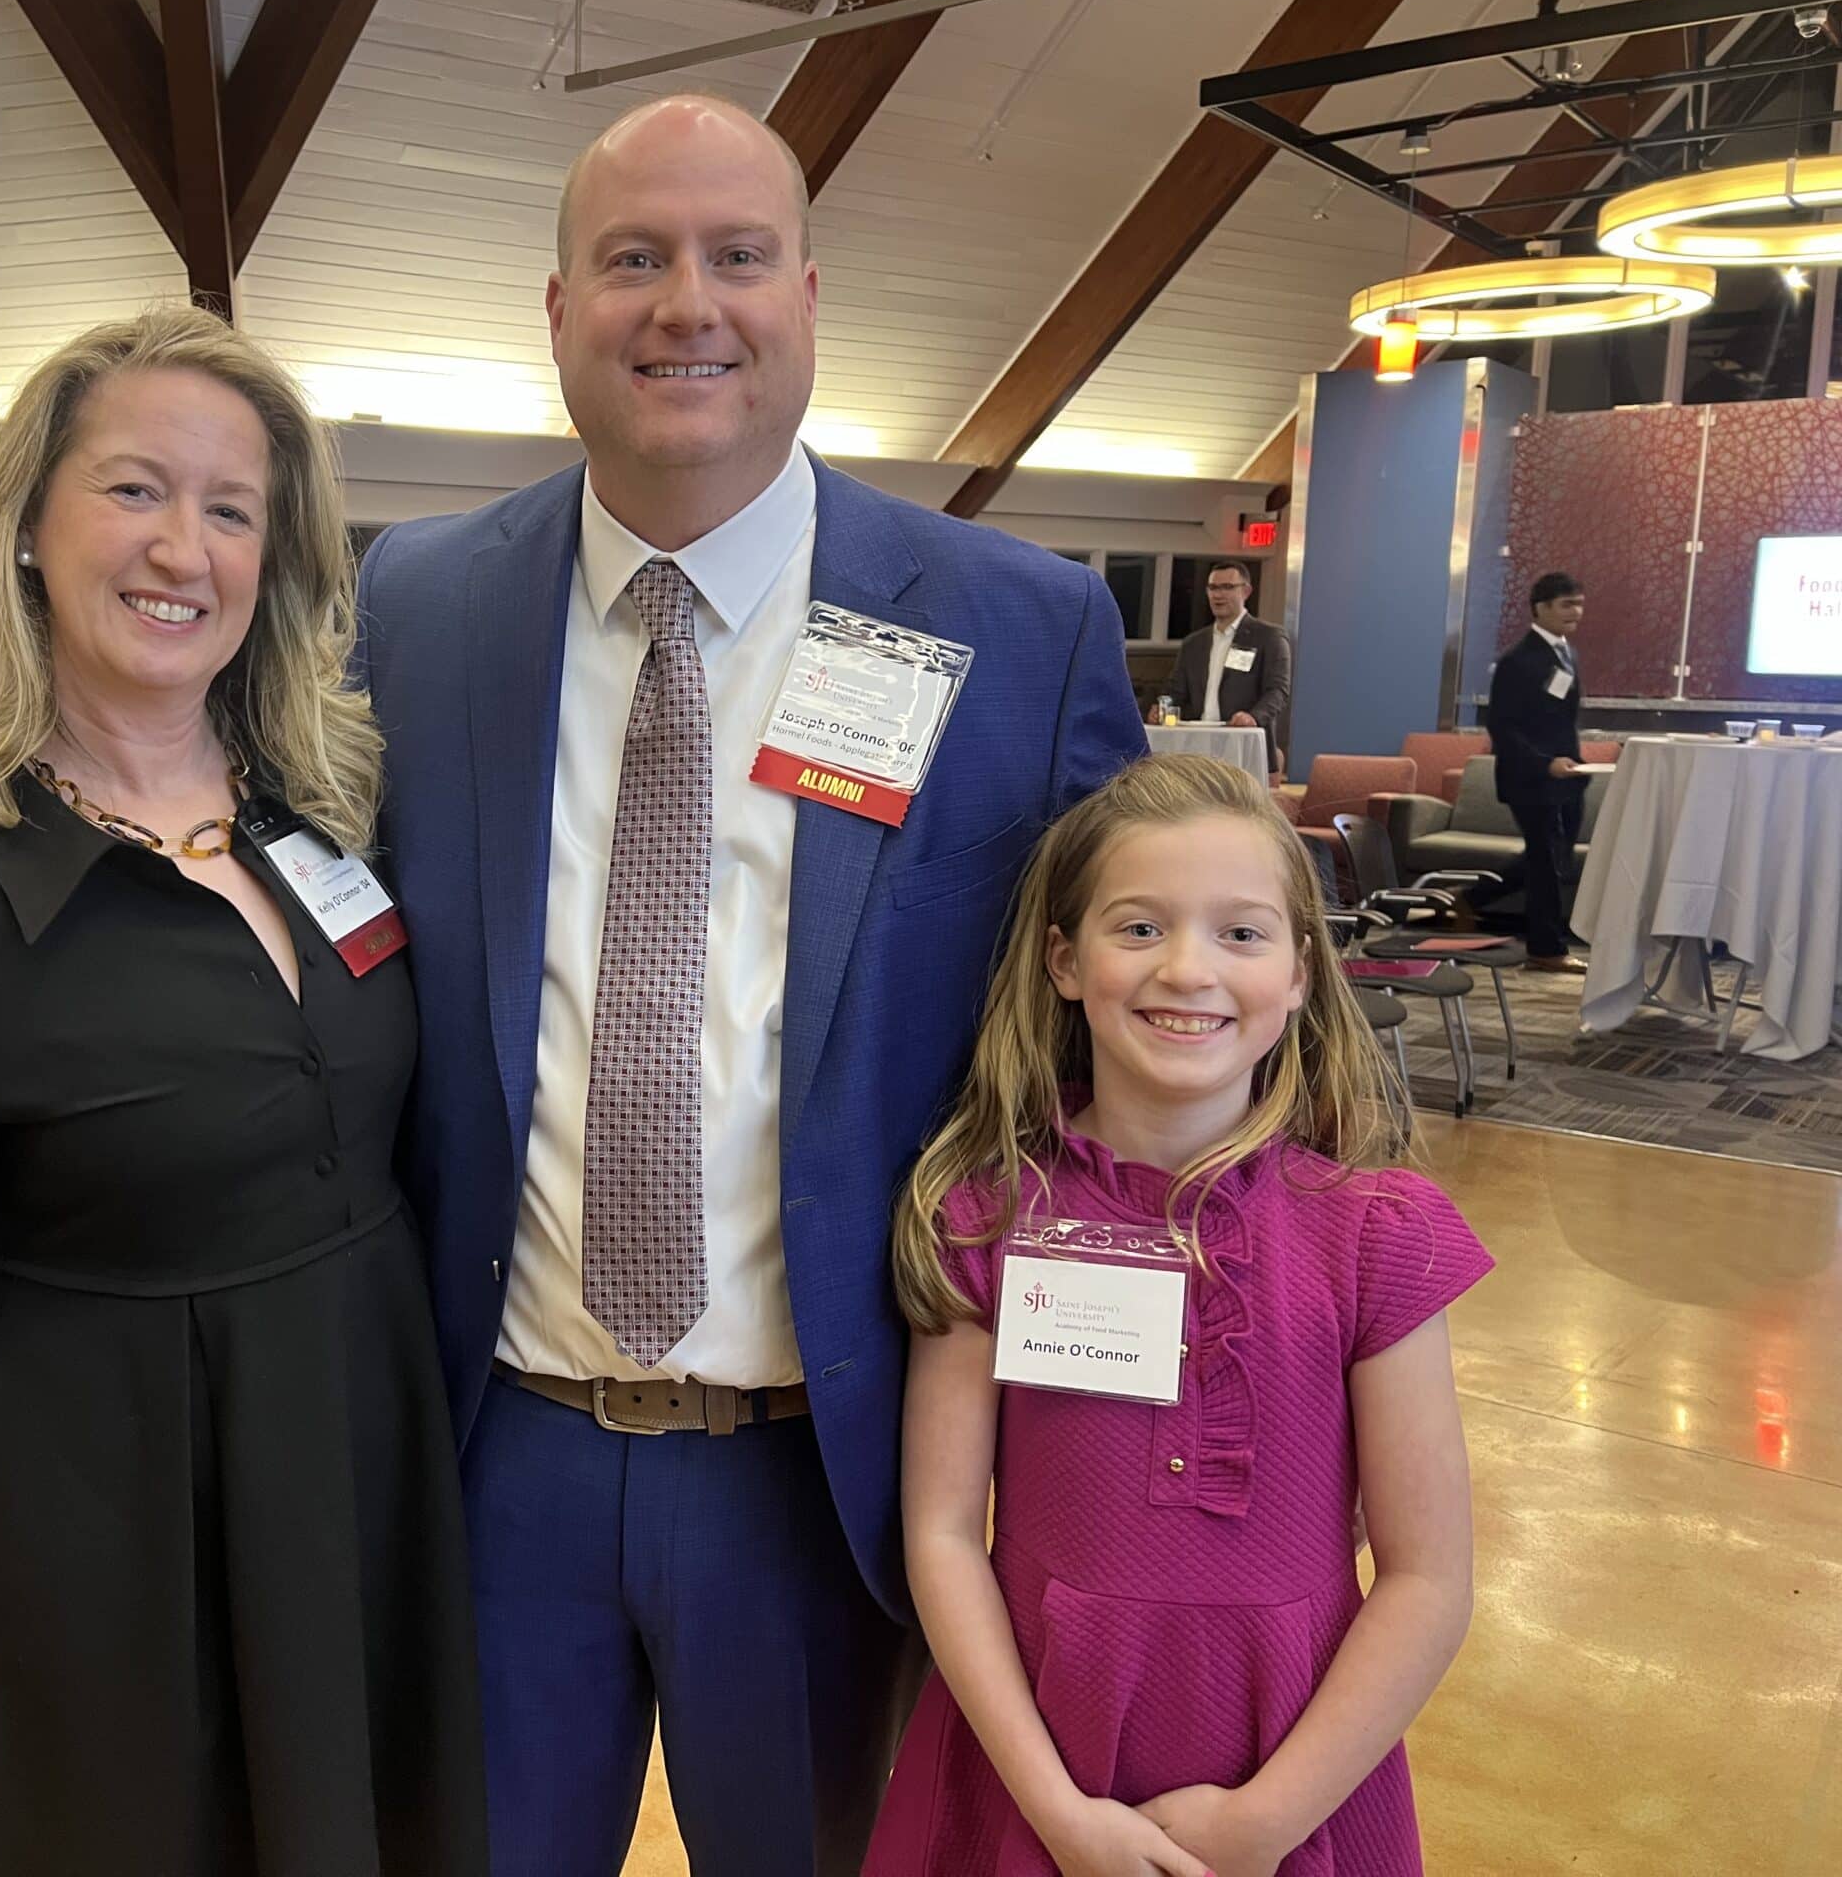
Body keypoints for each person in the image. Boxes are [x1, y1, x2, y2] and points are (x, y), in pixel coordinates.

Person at [358, 92, 1146, 1876]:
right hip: (494, 1457)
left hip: (829, 1480)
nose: (685, 305)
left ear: (807, 293)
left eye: (736, 256)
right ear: (557, 308)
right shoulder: (417, 605)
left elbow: (1122, 1041)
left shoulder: (1017, 630)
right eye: (632, 259)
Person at [0, 309, 486, 1875]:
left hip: (356, 1446)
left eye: (232, 509)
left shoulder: (328, 827)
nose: (185, 548)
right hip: (108, 1512)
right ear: (30, 529)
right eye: (134, 490)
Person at [863, 754, 1488, 1876]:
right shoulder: (982, 1215)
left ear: (1299, 973)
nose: (1188, 969)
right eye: (1140, 928)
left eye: (1241, 933)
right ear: (1065, 960)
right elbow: (943, 1534)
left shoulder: (1375, 1236)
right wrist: (1059, 1813)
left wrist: (1265, 1822)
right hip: (1035, 1765)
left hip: (1292, 1777)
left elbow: (1428, 1579)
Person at [1485, 572, 1589, 973]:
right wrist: (1544, 762)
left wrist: (1574, 763)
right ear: (1540, 608)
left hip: (1568, 777)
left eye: (1579, 604)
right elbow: (1503, 727)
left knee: (1551, 859)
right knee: (1545, 862)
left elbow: (1560, 720)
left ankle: (1468, 899)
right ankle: (1547, 949)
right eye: (1566, 604)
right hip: (1530, 778)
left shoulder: (1567, 654)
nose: (1575, 612)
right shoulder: (1518, 661)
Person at [1155, 560, 1291, 756]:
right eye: (1213, 588)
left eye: (1227, 587)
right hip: (1198, 744)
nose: (1218, 595)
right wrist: (1162, 706)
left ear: (1246, 591)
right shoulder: (1193, 643)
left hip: (1243, 743)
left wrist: (1253, 717)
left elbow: (1278, 690)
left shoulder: (1269, 637)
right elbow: (1175, 690)